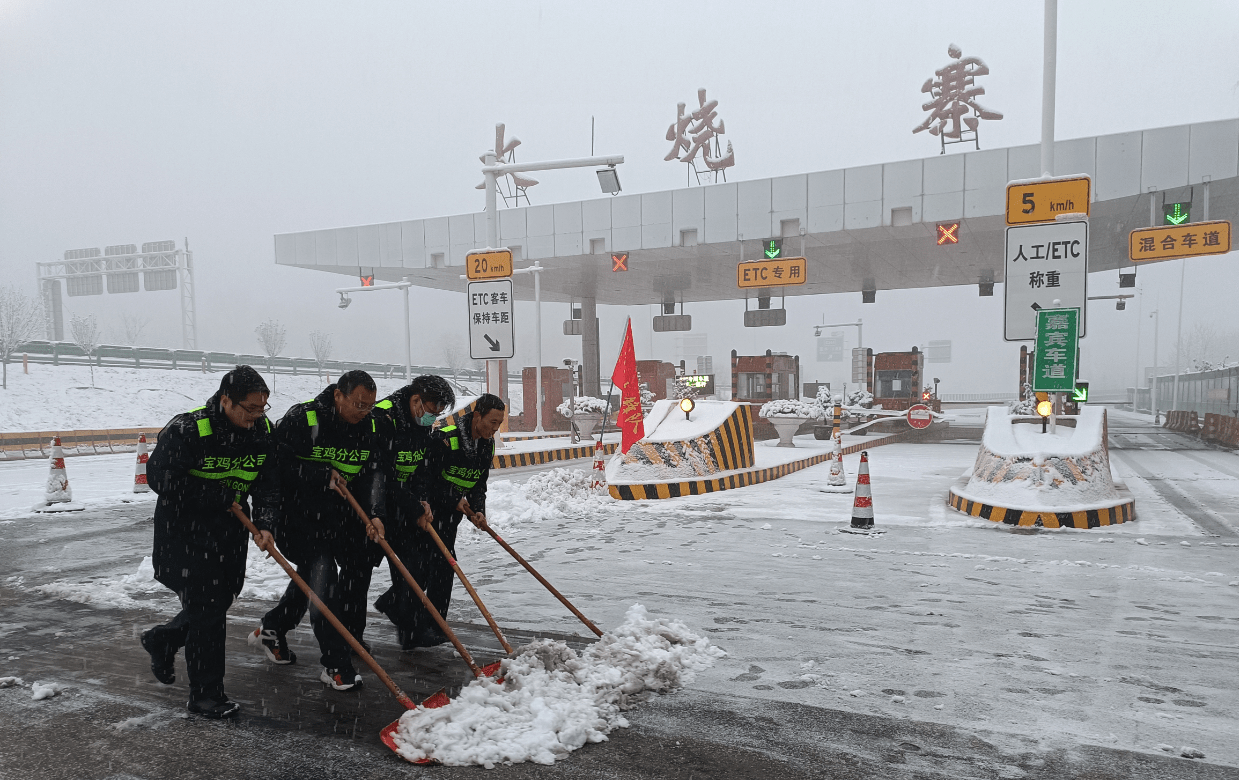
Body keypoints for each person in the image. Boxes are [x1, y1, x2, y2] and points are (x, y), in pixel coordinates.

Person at [141, 365, 280, 719]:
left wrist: (265, 523)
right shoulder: (189, 429)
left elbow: (268, 482)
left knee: (222, 597)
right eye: (249, 408)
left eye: (262, 408)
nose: (256, 416)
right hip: (184, 533)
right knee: (207, 611)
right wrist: (214, 494)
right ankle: (206, 695)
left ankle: (166, 638)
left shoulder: (262, 431)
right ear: (225, 401)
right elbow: (159, 477)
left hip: (230, 532)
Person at [249, 370, 386, 691]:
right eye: (358, 404)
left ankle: (273, 626)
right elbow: (275, 467)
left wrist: (376, 514)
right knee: (325, 579)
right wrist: (321, 474)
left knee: (314, 577)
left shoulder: (372, 424)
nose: (364, 411)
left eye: (370, 405)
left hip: (340, 520)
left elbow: (375, 473)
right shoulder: (304, 418)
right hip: (298, 520)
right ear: (338, 395)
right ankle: (336, 664)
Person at [403, 393, 505, 649]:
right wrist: (452, 498)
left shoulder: (486, 443)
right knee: (430, 568)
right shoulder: (446, 438)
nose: (495, 429)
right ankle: (410, 624)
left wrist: (478, 509)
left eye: (499, 424)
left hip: (452, 516)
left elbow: (478, 482)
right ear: (477, 415)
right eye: (492, 422)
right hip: (429, 513)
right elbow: (426, 478)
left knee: (444, 566)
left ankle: (434, 627)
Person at [370, 374, 456, 650]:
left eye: (439, 414)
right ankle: (348, 640)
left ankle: (409, 630)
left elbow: (419, 465)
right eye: (432, 412)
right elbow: (382, 473)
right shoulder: (384, 419)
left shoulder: (420, 422)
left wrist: (422, 499)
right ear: (416, 400)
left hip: (404, 504)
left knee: (417, 566)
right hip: (376, 505)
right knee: (354, 577)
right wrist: (413, 504)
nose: (434, 418)